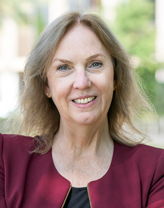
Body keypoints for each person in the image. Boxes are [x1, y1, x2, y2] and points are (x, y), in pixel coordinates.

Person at [0, 11, 164, 208]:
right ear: (46, 85)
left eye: (95, 64)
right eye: (64, 68)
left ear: (115, 78)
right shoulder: (6, 159)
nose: (82, 82)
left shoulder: (155, 169)